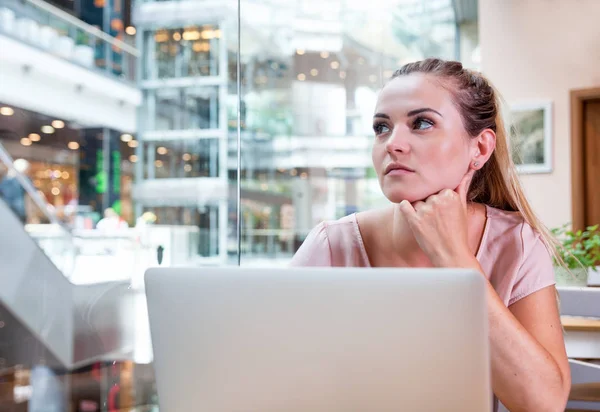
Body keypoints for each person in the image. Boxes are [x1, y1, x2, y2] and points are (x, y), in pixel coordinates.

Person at [291, 59, 570, 411]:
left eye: (421, 123)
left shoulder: (516, 243)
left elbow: (543, 404)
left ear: (480, 149)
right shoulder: (331, 245)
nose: (393, 144)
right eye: (381, 127)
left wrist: (455, 259)